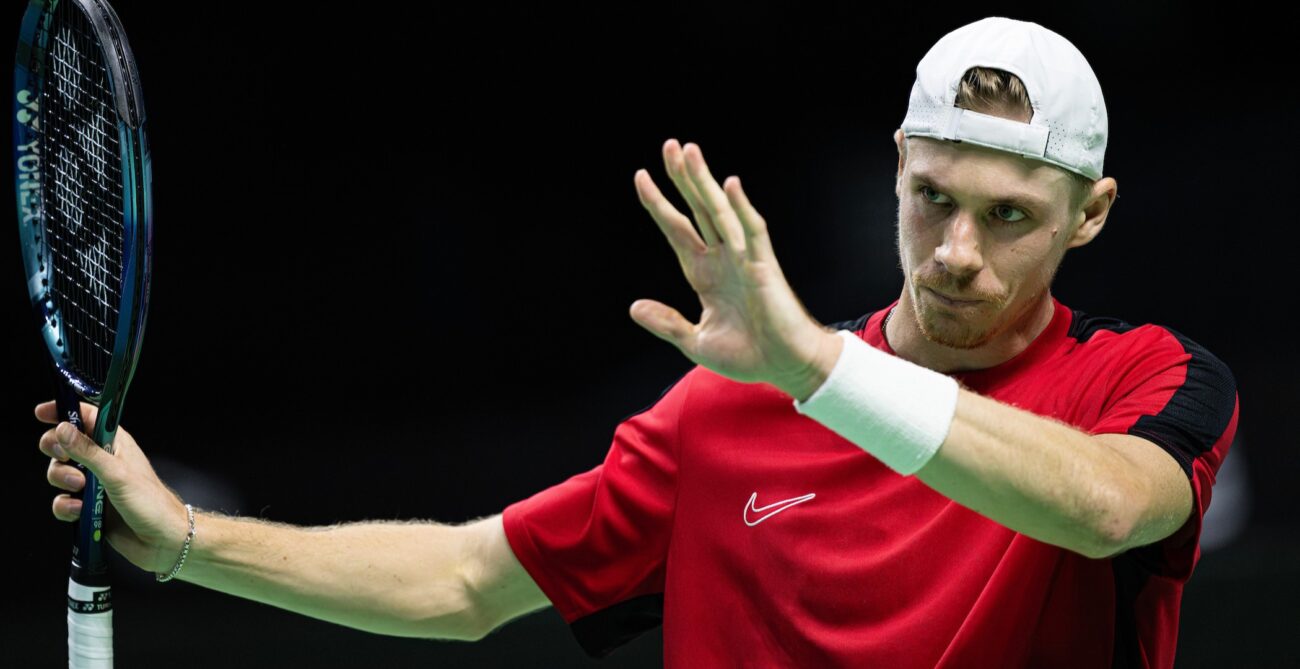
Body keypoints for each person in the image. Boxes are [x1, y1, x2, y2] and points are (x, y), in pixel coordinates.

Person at [38, 16, 1237, 668]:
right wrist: (190, 542)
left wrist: (818, 371)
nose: (957, 250)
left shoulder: (1140, 380)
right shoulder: (724, 414)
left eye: (1009, 216)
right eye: (933, 197)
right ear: (895, 168)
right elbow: (462, 581)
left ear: (1093, 213)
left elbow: (1100, 509)